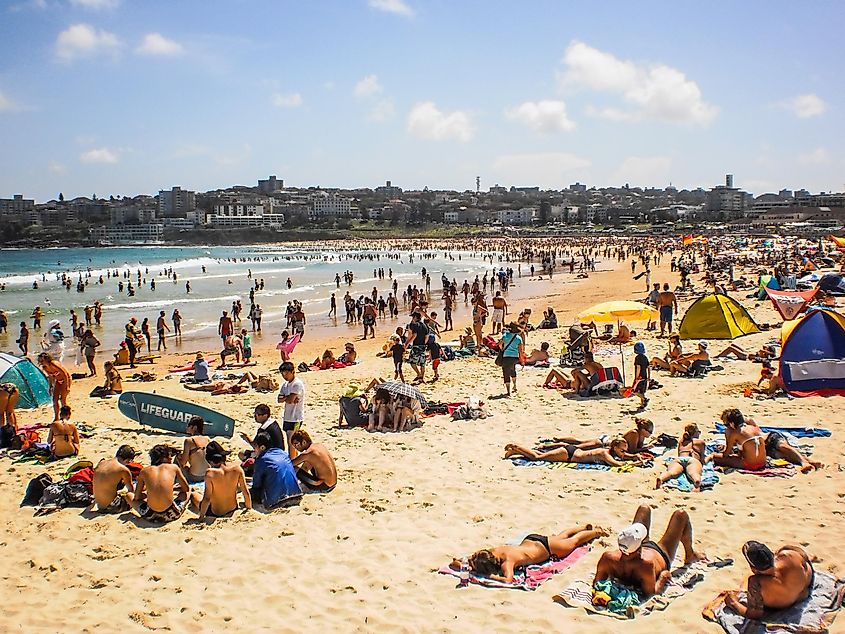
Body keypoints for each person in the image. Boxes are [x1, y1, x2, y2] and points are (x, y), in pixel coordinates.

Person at [593, 504, 706, 596]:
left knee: (644, 508)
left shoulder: (607, 557)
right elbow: (651, 592)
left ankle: (690, 554)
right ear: (639, 547)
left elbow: (597, 583)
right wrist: (663, 577)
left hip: (636, 551)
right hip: (662, 553)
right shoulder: (646, 565)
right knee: (681, 515)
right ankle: (690, 554)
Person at [450, 525, 608, 583]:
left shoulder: (508, 562)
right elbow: (464, 561)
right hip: (532, 540)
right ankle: (582, 526)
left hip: (546, 549)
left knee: (573, 543)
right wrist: (462, 564)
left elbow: (508, 579)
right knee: (561, 537)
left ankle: (595, 532)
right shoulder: (492, 551)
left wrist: (489, 576)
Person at [724, 542, 815, 618]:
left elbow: (754, 614)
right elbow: (803, 556)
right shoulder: (789, 555)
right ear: (772, 555)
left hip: (786, 603)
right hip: (805, 589)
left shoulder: (755, 583)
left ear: (754, 569)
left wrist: (734, 603)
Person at [134, 445, 191, 524]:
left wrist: (147, 494)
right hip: (171, 514)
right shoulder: (174, 467)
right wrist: (172, 489)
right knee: (188, 492)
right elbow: (186, 489)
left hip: (150, 515)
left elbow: (137, 497)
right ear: (164, 458)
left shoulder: (144, 471)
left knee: (128, 496)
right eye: (169, 456)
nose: (171, 458)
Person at [195, 441, 252, 519]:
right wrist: (249, 509)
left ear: (210, 461)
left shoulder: (210, 474)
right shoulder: (237, 469)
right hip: (233, 509)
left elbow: (207, 498)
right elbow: (245, 492)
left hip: (216, 513)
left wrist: (201, 517)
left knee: (193, 495)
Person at [250, 431, 303, 509]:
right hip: (297, 495)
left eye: (255, 447)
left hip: (277, 501)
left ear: (262, 447)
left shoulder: (261, 459)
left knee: (252, 492)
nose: (255, 450)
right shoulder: (282, 453)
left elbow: (256, 484)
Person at [504, 437, 642, 467]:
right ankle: (516, 445)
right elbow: (616, 464)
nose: (624, 452)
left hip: (573, 452)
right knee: (537, 457)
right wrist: (634, 465)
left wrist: (634, 457)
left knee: (540, 456)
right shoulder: (605, 454)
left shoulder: (610, 450)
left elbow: (623, 456)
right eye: (622, 450)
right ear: (616, 447)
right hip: (569, 455)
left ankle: (514, 452)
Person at [655, 423, 711, 491]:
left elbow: (679, 454)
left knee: (671, 472)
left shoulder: (681, 442)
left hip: (679, 459)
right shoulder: (700, 442)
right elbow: (702, 460)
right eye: (699, 432)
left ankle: (661, 478)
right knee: (694, 473)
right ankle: (696, 484)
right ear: (696, 433)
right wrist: (710, 457)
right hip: (692, 460)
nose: (699, 434)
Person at [93, 445, 138, 514]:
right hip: (112, 506)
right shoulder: (123, 469)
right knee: (135, 485)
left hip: (99, 505)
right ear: (127, 460)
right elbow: (131, 490)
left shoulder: (101, 463)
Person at [277, 361, 305, 456]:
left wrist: (287, 398)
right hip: (287, 417)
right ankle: (294, 460)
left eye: (286, 373)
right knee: (291, 442)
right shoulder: (285, 385)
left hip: (295, 417)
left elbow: (289, 400)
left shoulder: (297, 384)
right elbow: (279, 399)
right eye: (282, 374)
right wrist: (288, 398)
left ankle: (292, 462)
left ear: (292, 372)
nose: (284, 376)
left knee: (292, 442)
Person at [38, 352, 71, 420]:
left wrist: (67, 385)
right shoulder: (45, 367)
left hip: (65, 380)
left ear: (46, 359)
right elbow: (50, 377)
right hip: (58, 381)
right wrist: (50, 386)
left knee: (63, 399)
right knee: (55, 400)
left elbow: (64, 374)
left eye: (42, 361)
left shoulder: (54, 364)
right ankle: (56, 417)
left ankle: (66, 416)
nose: (41, 362)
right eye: (40, 361)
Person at [177, 415, 210, 484]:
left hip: (195, 476)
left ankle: (176, 479)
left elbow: (183, 462)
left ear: (194, 427)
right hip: (207, 475)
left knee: (177, 458)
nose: (187, 427)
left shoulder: (189, 441)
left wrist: (179, 456)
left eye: (189, 425)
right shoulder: (207, 439)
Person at [498, 322, 524, 397]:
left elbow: (499, 344)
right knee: (512, 370)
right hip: (515, 357)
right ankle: (515, 385)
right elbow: (520, 351)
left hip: (506, 356)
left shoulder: (505, 335)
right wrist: (522, 361)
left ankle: (508, 391)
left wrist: (502, 348)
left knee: (506, 373)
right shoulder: (519, 338)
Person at [404, 312, 430, 384]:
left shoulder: (415, 325)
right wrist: (423, 344)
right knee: (422, 363)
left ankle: (418, 374)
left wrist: (407, 344)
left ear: (415, 317)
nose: (412, 319)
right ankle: (421, 377)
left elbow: (414, 335)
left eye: (413, 317)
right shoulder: (425, 326)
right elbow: (427, 337)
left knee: (412, 362)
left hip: (416, 346)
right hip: (423, 346)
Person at [630, 341, 650, 409]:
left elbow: (638, 367)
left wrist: (636, 377)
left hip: (640, 377)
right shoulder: (645, 357)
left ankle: (645, 399)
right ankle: (642, 404)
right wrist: (649, 377)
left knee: (635, 391)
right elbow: (648, 367)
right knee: (642, 391)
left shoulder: (637, 358)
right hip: (645, 376)